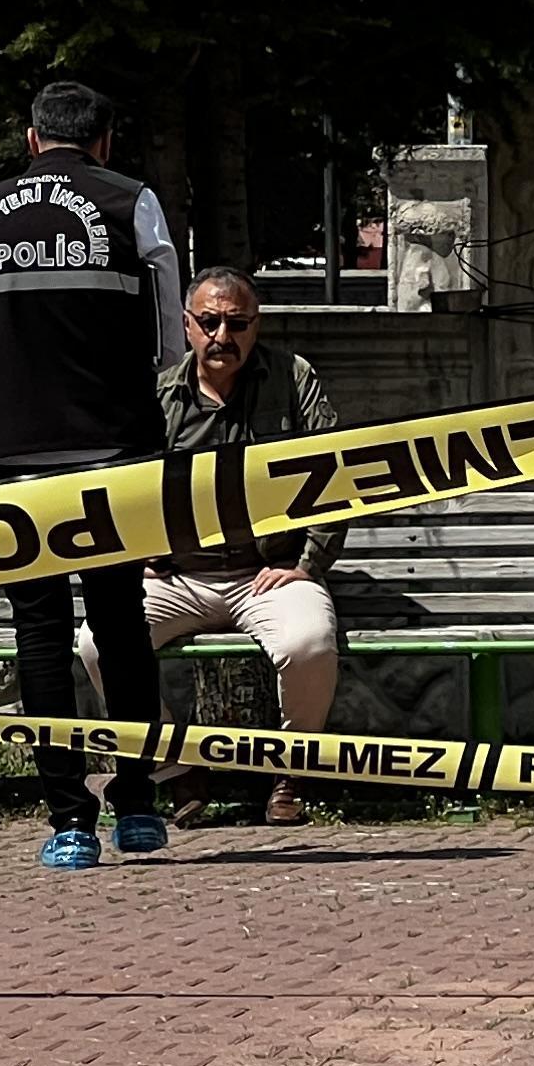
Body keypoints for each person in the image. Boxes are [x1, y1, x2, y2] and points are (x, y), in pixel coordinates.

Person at [0, 79, 184, 869]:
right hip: (111, 451)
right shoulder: (131, 202)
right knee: (121, 625)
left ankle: (69, 822)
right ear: (103, 141)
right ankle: (137, 807)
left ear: (32, 139)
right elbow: (170, 342)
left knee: (39, 633)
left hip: (7, 458)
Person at [140, 268, 347, 826]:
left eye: (237, 323)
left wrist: (308, 563)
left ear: (257, 325)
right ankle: (177, 768)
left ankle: (291, 774)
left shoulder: (293, 379)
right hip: (179, 577)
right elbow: (126, 484)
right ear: (187, 325)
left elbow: (336, 473)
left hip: (268, 571)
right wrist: (142, 553)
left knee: (310, 643)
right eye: (209, 322)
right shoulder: (159, 395)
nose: (222, 337)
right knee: (98, 645)